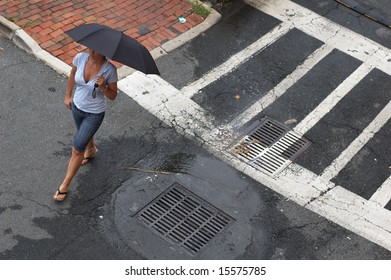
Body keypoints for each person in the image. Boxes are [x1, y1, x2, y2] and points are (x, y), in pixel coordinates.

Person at [53, 49, 118, 202]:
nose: (91, 51)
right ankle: (91, 150)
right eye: (90, 47)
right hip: (76, 106)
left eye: (96, 49)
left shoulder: (110, 70)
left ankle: (64, 185)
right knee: (84, 134)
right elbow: (72, 75)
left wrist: (104, 87)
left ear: (104, 52)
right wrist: (68, 95)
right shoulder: (81, 58)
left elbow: (113, 96)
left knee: (77, 149)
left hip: (94, 114)